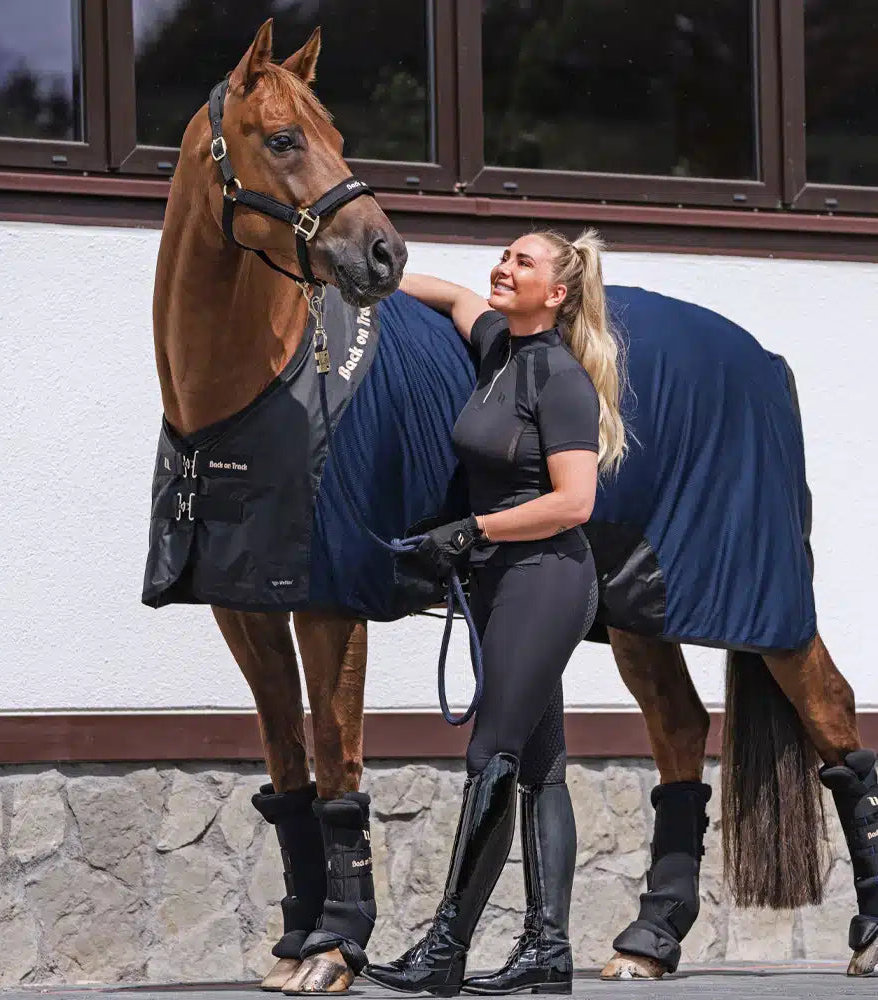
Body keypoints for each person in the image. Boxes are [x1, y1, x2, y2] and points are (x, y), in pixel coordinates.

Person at [362, 229, 626, 996]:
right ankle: (547, 952)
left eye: (524, 263)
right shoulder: (498, 350)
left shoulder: (562, 379)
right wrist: (361, 283)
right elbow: (448, 296)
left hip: (545, 579)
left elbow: (575, 501)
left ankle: (445, 949)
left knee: (494, 757)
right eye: (504, 256)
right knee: (541, 771)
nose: (504, 268)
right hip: (501, 582)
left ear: (558, 294)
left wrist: (475, 529)